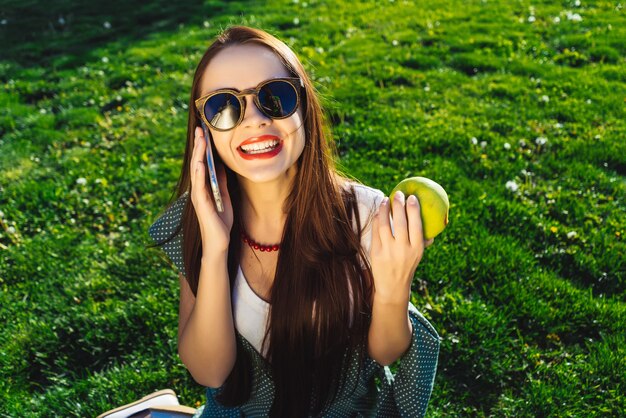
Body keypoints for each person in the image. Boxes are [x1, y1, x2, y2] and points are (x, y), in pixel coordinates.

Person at [148, 25, 440, 418]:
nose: (253, 120)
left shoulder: (367, 214)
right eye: (224, 106)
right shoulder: (199, 216)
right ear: (204, 131)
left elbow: (385, 353)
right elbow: (211, 371)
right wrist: (215, 249)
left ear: (304, 104)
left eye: (275, 97)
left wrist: (394, 290)